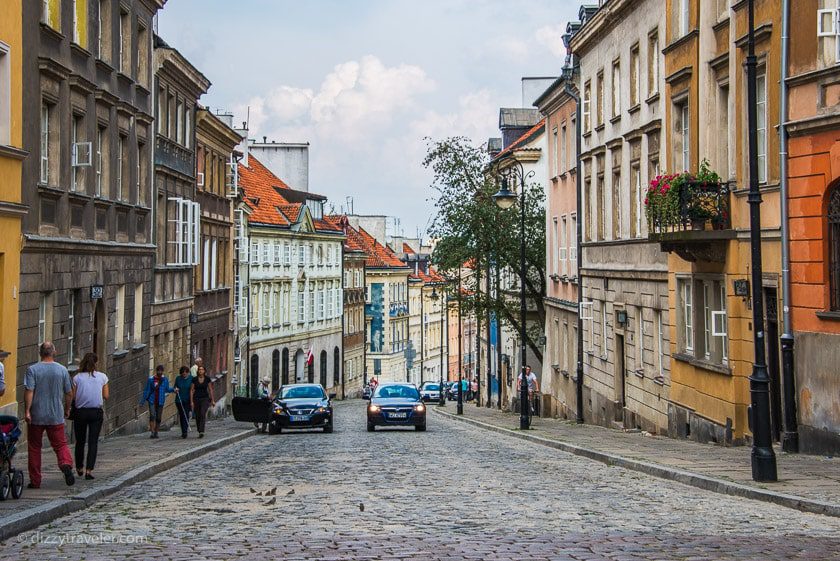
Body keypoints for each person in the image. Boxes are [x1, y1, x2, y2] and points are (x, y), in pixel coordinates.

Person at [23, 341, 75, 488]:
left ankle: (35, 481)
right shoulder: (62, 370)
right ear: (54, 352)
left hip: (37, 414)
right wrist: (67, 408)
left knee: (34, 447)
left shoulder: (32, 370)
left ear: (40, 353)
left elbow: (29, 391)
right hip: (55, 414)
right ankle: (65, 463)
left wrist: (27, 411)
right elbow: (69, 393)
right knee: (60, 444)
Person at [71, 352, 109, 480]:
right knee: (93, 442)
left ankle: (79, 467)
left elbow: (74, 396)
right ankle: (89, 470)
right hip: (96, 412)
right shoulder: (102, 377)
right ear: (96, 363)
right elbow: (106, 395)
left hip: (80, 412)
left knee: (80, 441)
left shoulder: (77, 378)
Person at [141, 365, 175, 439]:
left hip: (160, 400)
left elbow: (167, 389)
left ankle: (156, 431)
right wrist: (142, 401)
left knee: (158, 418)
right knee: (152, 415)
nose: (160, 372)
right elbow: (147, 390)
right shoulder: (151, 379)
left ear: (162, 371)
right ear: (156, 371)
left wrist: (174, 390)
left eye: (161, 371)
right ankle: (152, 432)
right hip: (152, 400)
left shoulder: (164, 380)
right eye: (158, 371)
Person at [190, 365, 215, 438]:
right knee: (197, 415)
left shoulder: (207, 379)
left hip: (205, 398)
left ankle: (202, 430)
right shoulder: (194, 379)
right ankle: (199, 429)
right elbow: (191, 390)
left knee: (202, 413)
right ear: (198, 371)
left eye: (202, 369)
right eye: (199, 370)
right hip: (196, 398)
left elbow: (210, 389)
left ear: (204, 371)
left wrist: (213, 400)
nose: (201, 371)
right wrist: (191, 401)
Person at [173, 366, 193, 439]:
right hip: (179, 400)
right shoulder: (178, 379)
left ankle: (185, 431)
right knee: (182, 415)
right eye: (183, 372)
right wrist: (175, 389)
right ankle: (183, 431)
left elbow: (192, 388)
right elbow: (175, 387)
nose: (184, 373)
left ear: (188, 372)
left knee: (186, 414)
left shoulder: (191, 379)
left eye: (186, 372)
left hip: (187, 399)